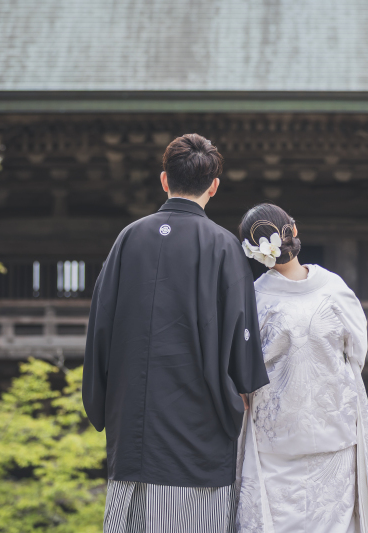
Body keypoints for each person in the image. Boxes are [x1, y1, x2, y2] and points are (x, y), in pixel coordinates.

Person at [83, 134, 269, 533]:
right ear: (214, 186)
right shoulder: (223, 245)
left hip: (133, 426)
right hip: (198, 431)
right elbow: (243, 339)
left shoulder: (128, 238)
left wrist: (102, 403)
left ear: (164, 180)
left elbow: (100, 327)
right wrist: (244, 390)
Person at [235, 204, 368, 533]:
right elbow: (357, 352)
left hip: (275, 436)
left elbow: (242, 369)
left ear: (251, 252)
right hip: (334, 431)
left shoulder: (253, 300)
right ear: (294, 231)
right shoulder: (334, 289)